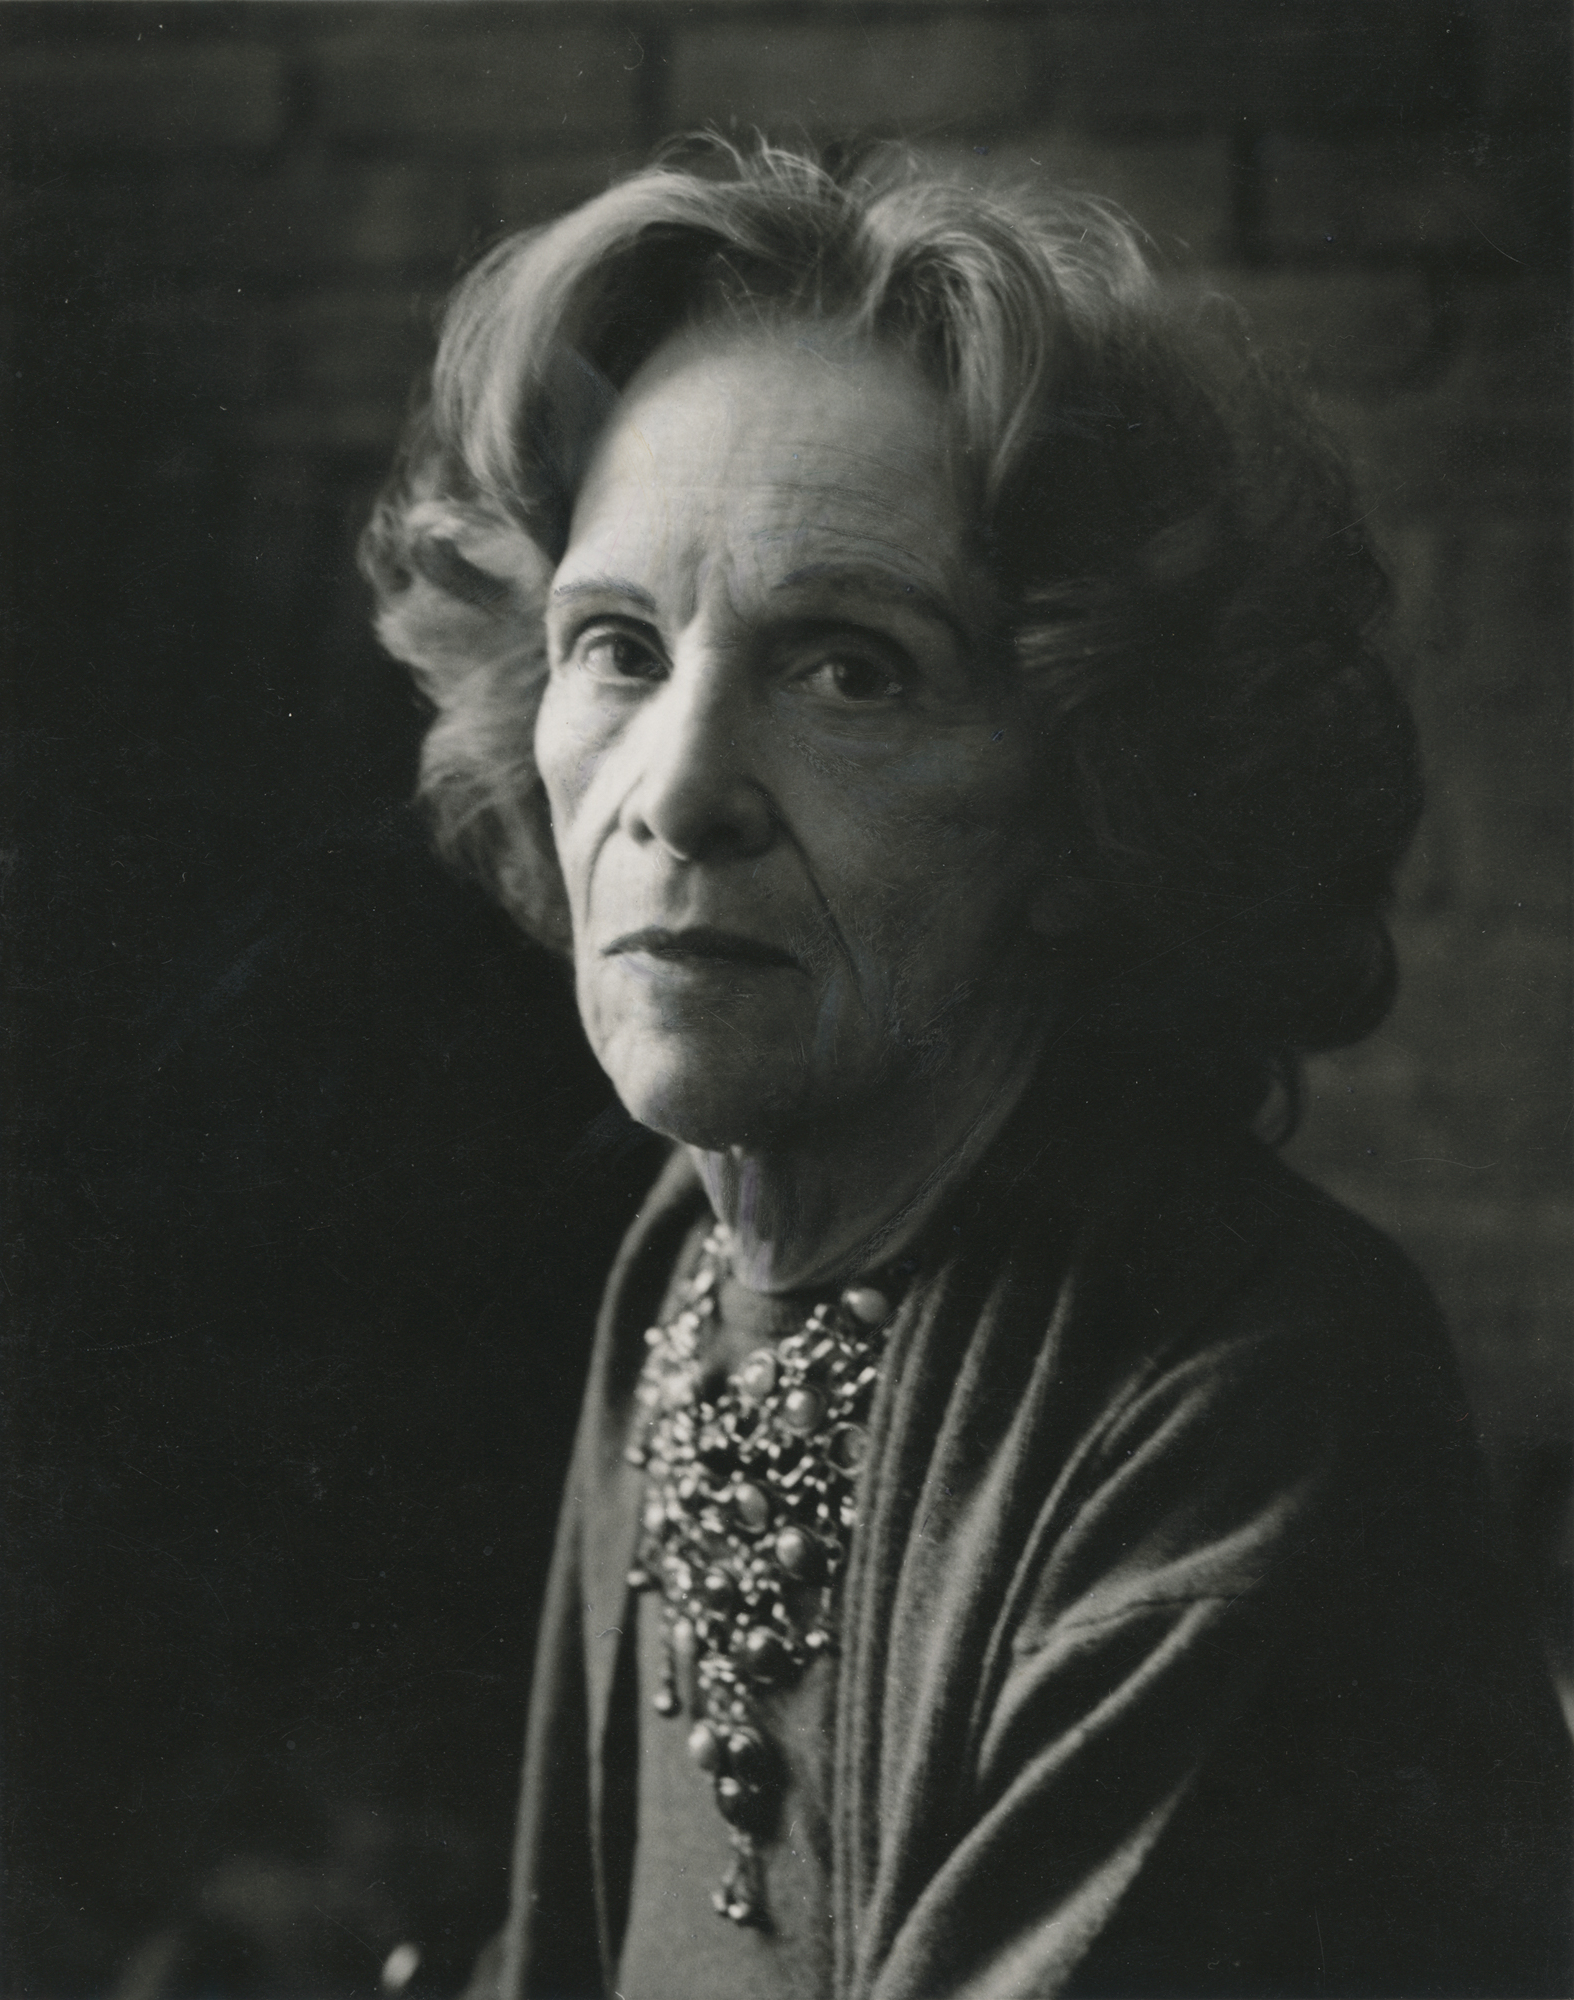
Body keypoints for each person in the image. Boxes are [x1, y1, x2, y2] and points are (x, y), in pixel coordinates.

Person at [362, 139, 1570, 2000]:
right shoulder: (686, 1262)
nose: (675, 789)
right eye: (617, 646)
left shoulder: (1242, 1403)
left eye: (850, 670)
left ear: (1097, 803)